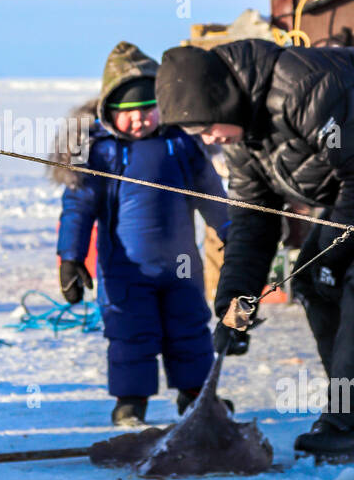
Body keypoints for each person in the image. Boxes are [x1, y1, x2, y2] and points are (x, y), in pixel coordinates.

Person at [156, 38, 354, 459]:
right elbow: (254, 218)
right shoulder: (243, 137)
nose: (208, 139)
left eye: (206, 126)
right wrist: (235, 299)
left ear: (224, 100)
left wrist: (334, 258)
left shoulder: (305, 87)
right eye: (197, 135)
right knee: (312, 281)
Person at [56, 42, 229, 427]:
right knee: (129, 334)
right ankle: (130, 405)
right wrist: (70, 257)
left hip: (182, 266)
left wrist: (233, 234)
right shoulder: (99, 152)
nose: (140, 120)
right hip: (125, 269)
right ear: (108, 113)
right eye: (128, 113)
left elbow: (213, 195)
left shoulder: (182, 143)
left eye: (148, 109)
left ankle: (197, 397)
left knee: (190, 330)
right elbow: (78, 208)